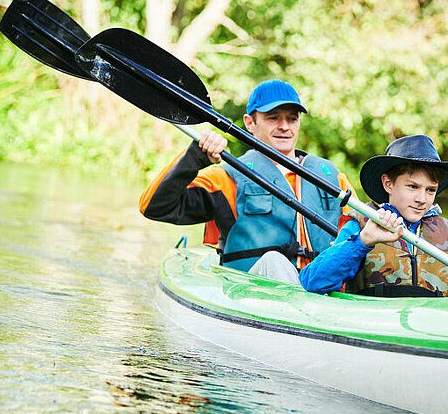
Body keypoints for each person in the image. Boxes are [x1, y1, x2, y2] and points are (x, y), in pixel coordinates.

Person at [139, 79, 354, 283]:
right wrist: (196, 157)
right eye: (273, 118)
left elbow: (360, 228)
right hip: (253, 293)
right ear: (250, 123)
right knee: (274, 261)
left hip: (324, 294)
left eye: (292, 118)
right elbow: (153, 207)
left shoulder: (331, 177)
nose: (284, 126)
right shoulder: (227, 178)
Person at [299, 134, 448, 297]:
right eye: (413, 187)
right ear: (388, 183)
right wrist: (363, 241)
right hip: (373, 334)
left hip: (426, 337)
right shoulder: (361, 228)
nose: (422, 199)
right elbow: (311, 282)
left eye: (430, 190)